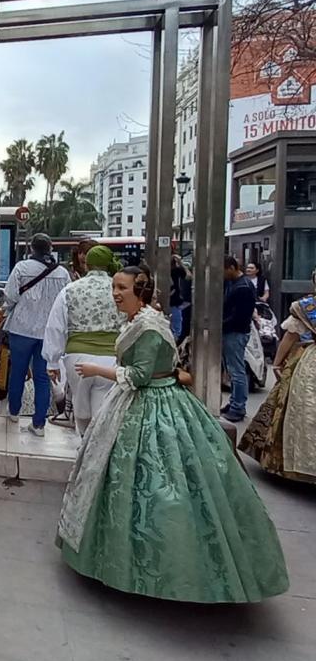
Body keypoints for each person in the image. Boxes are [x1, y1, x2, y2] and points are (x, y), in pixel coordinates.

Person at [57, 266, 289, 603]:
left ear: (140, 291)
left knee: (157, 483)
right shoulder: (143, 319)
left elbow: (139, 376)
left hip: (152, 403)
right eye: (114, 288)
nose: (115, 294)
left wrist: (96, 369)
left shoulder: (148, 325)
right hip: (147, 400)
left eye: (121, 288)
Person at [239, 272, 316, 483]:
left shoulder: (307, 307)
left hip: (311, 362)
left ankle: (297, 464)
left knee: (299, 407)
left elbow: (290, 336)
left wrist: (278, 361)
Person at [41, 245, 123, 436]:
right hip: (111, 359)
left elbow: (55, 326)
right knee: (102, 411)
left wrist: (52, 362)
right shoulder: (119, 290)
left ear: (87, 264)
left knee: (81, 410)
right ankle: (97, 451)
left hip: (77, 359)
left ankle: (83, 444)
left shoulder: (70, 290)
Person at [3, 234, 70, 436]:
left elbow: (10, 295)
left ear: (32, 248)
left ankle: (14, 412)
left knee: (18, 372)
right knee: (42, 377)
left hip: (21, 329)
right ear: (50, 248)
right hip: (48, 333)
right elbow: (66, 301)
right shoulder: (62, 272)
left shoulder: (22, 268)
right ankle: (39, 424)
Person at [221, 256, 257, 422]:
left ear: (231, 267)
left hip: (236, 332)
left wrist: (221, 325)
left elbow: (239, 316)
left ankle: (238, 406)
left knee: (237, 370)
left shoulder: (243, 287)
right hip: (234, 331)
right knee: (234, 369)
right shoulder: (235, 284)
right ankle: (235, 402)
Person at [169, 255, 192, 340]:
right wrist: (181, 263)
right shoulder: (176, 271)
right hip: (174, 303)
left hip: (171, 302)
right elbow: (189, 276)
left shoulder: (174, 271)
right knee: (176, 330)